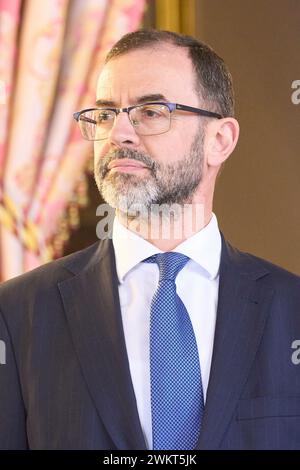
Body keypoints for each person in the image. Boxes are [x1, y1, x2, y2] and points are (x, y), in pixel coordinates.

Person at [0, 29, 300, 451]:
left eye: (152, 111)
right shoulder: (17, 314)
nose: (119, 133)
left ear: (219, 140)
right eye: (104, 115)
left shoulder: (292, 311)